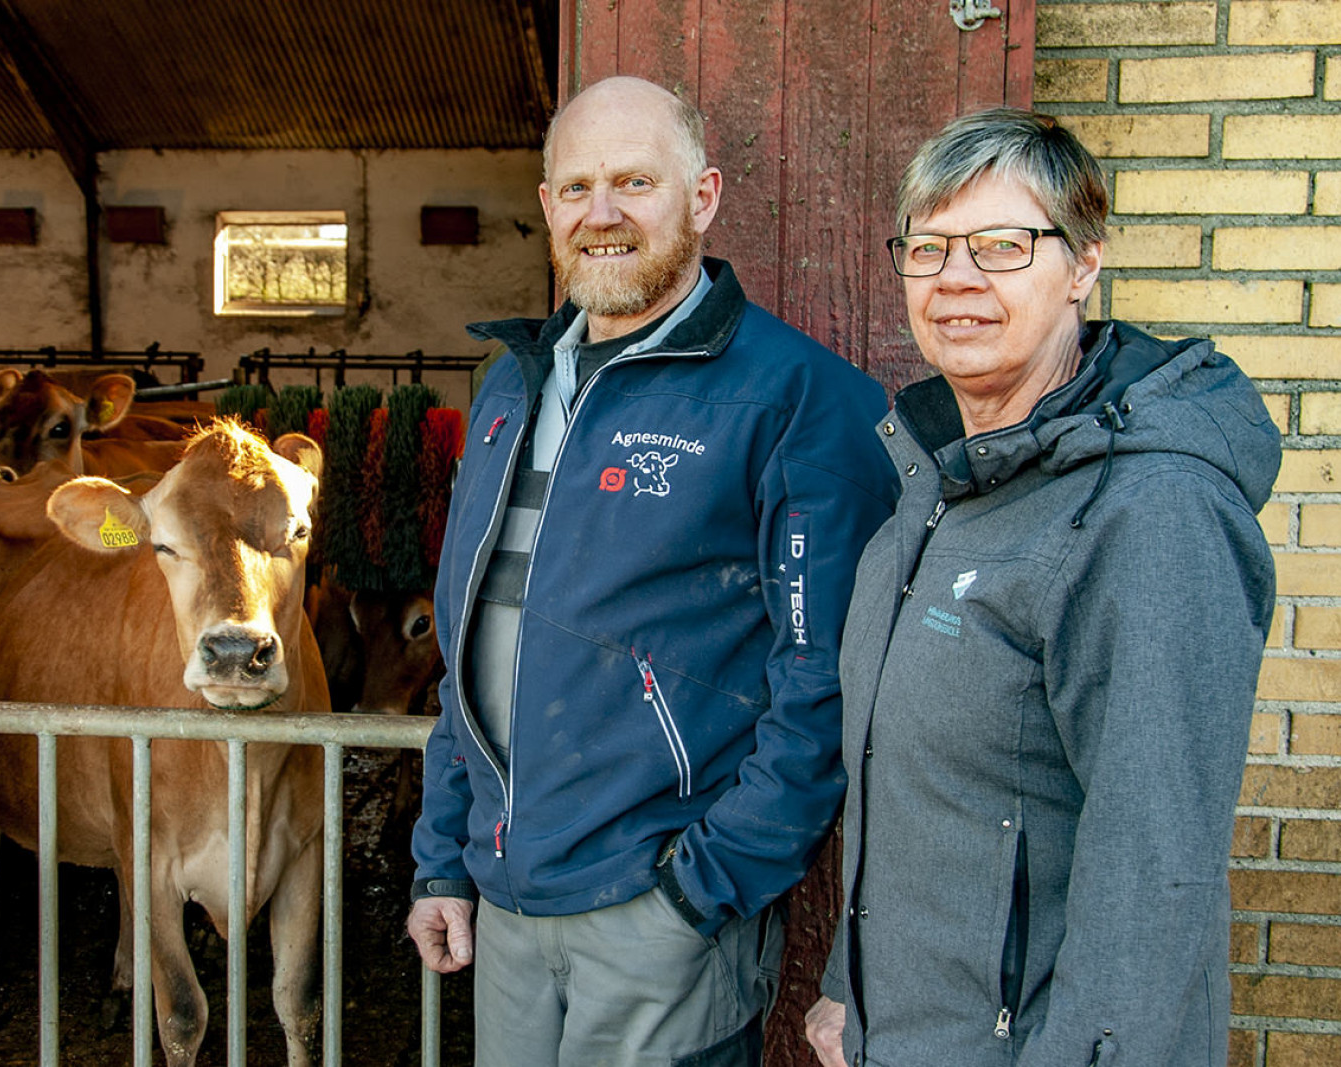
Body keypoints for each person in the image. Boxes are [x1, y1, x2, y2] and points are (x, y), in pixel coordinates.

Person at [407, 75, 896, 1066]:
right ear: (546, 207)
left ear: (702, 197)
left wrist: (701, 887)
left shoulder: (798, 398)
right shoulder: (512, 387)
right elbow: (471, 643)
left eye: (635, 181)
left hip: (657, 909)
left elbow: (824, 680)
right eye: (577, 187)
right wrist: (441, 858)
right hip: (504, 894)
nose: (602, 214)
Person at [805, 108, 1280, 1067]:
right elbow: (919, 788)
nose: (957, 278)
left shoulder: (1150, 510)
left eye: (1002, 245)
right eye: (929, 247)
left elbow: (1156, 867)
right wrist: (851, 988)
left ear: (1085, 264)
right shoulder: (936, 488)